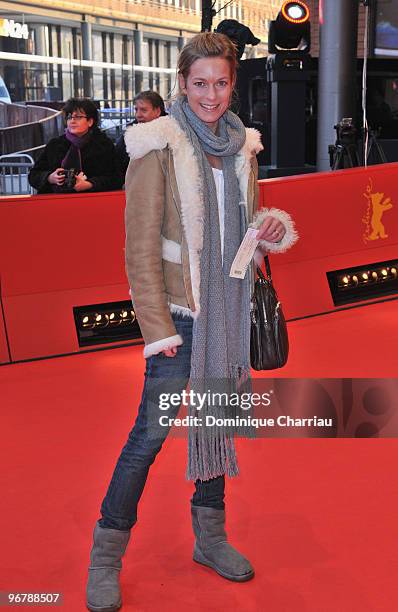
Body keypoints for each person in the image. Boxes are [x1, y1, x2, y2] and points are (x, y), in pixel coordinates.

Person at [86, 32, 298, 612]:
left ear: (234, 83)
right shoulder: (156, 146)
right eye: (200, 83)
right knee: (148, 438)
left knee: (214, 427)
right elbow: (141, 249)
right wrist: (159, 332)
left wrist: (271, 225)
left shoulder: (242, 145)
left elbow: (247, 219)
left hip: (227, 317)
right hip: (179, 324)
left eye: (221, 82)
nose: (211, 94)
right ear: (182, 83)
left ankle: (210, 539)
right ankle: (104, 557)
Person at [28, 98, 123, 194]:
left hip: (92, 201)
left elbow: (116, 178)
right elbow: (33, 175)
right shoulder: (55, 145)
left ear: (90, 121)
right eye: (69, 117)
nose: (72, 121)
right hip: (56, 202)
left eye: (78, 117)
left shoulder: (104, 145)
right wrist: (49, 178)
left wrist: (90, 184)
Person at [115, 90, 166, 177]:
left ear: (157, 111)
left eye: (143, 110)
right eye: (136, 110)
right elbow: (117, 166)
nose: (138, 115)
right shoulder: (128, 135)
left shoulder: (172, 134)